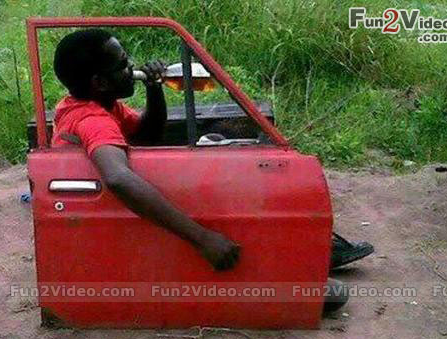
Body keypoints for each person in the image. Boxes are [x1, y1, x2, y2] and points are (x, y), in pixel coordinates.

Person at [51, 29, 373, 274]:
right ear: (100, 82)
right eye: (123, 64)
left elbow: (147, 137)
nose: (132, 65)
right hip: (107, 215)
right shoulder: (93, 120)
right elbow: (118, 178)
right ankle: (304, 254)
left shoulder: (96, 105)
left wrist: (153, 89)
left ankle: (307, 248)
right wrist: (202, 239)